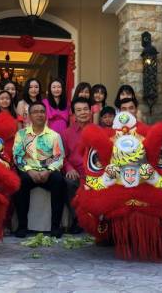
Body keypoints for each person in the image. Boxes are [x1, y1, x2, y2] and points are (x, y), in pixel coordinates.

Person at [12, 101, 66, 239]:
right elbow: (17, 156)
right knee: (19, 182)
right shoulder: (21, 134)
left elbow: (58, 157)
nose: (39, 114)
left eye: (42, 111)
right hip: (28, 171)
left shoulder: (54, 135)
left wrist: (48, 171)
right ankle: (22, 226)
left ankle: (55, 227)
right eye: (35, 112)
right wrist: (29, 171)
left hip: (48, 171)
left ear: (46, 115)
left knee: (59, 181)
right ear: (29, 116)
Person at [61, 97, 92, 234]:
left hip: (95, 173)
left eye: (85, 109)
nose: (83, 112)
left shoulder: (98, 131)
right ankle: (78, 220)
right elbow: (63, 157)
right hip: (77, 173)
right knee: (69, 182)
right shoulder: (66, 133)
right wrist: (69, 168)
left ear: (90, 111)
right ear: (73, 114)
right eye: (79, 110)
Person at [0, 90, 18, 166]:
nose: (5, 100)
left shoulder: (16, 116)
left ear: (10, 101)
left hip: (13, 148)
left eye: (7, 98)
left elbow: (19, 134)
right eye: (2, 98)